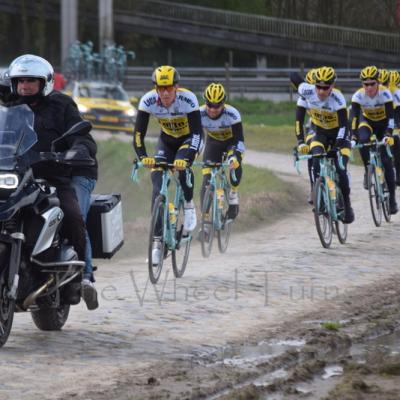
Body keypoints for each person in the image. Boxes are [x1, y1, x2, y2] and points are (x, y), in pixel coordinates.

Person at [7, 54, 99, 309]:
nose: (24, 86)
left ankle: (81, 279)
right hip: (15, 174)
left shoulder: (62, 105)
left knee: (72, 213)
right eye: (20, 81)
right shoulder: (7, 103)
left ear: (44, 82)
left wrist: (77, 150)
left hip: (54, 175)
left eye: (30, 81)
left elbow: (83, 136)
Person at [132, 65, 203, 264]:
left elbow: (197, 133)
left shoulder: (188, 99)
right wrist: (142, 156)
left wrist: (188, 159)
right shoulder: (147, 101)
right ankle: (157, 243)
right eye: (160, 88)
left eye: (169, 88)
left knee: (182, 170)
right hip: (167, 140)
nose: (164, 92)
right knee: (157, 185)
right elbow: (138, 135)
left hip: (189, 140)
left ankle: (189, 206)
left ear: (176, 87)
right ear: (155, 88)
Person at [290, 66, 355, 224]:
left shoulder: (337, 98)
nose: (321, 91)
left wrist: (338, 146)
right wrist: (300, 142)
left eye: (325, 88)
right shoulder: (307, 91)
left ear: (332, 86)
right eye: (318, 87)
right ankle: (318, 192)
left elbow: (344, 125)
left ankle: (346, 204)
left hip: (339, 134)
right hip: (321, 132)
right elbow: (292, 75)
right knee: (315, 156)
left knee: (340, 169)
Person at [350, 65, 397, 214]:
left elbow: (391, 117)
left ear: (378, 82)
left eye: (372, 84)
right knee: (363, 140)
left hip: (383, 124)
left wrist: (388, 134)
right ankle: (367, 170)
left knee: (386, 160)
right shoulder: (358, 96)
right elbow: (354, 118)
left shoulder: (385, 94)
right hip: (368, 122)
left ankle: (392, 200)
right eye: (365, 84)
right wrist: (353, 135)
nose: (369, 87)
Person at [200, 82, 244, 220]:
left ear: (223, 104)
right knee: (206, 179)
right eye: (210, 105)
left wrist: (236, 157)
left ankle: (233, 195)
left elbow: (239, 141)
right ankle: (205, 220)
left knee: (234, 164)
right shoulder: (199, 114)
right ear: (205, 102)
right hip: (213, 143)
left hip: (231, 143)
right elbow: (196, 136)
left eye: (217, 105)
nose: (213, 109)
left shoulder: (232, 114)